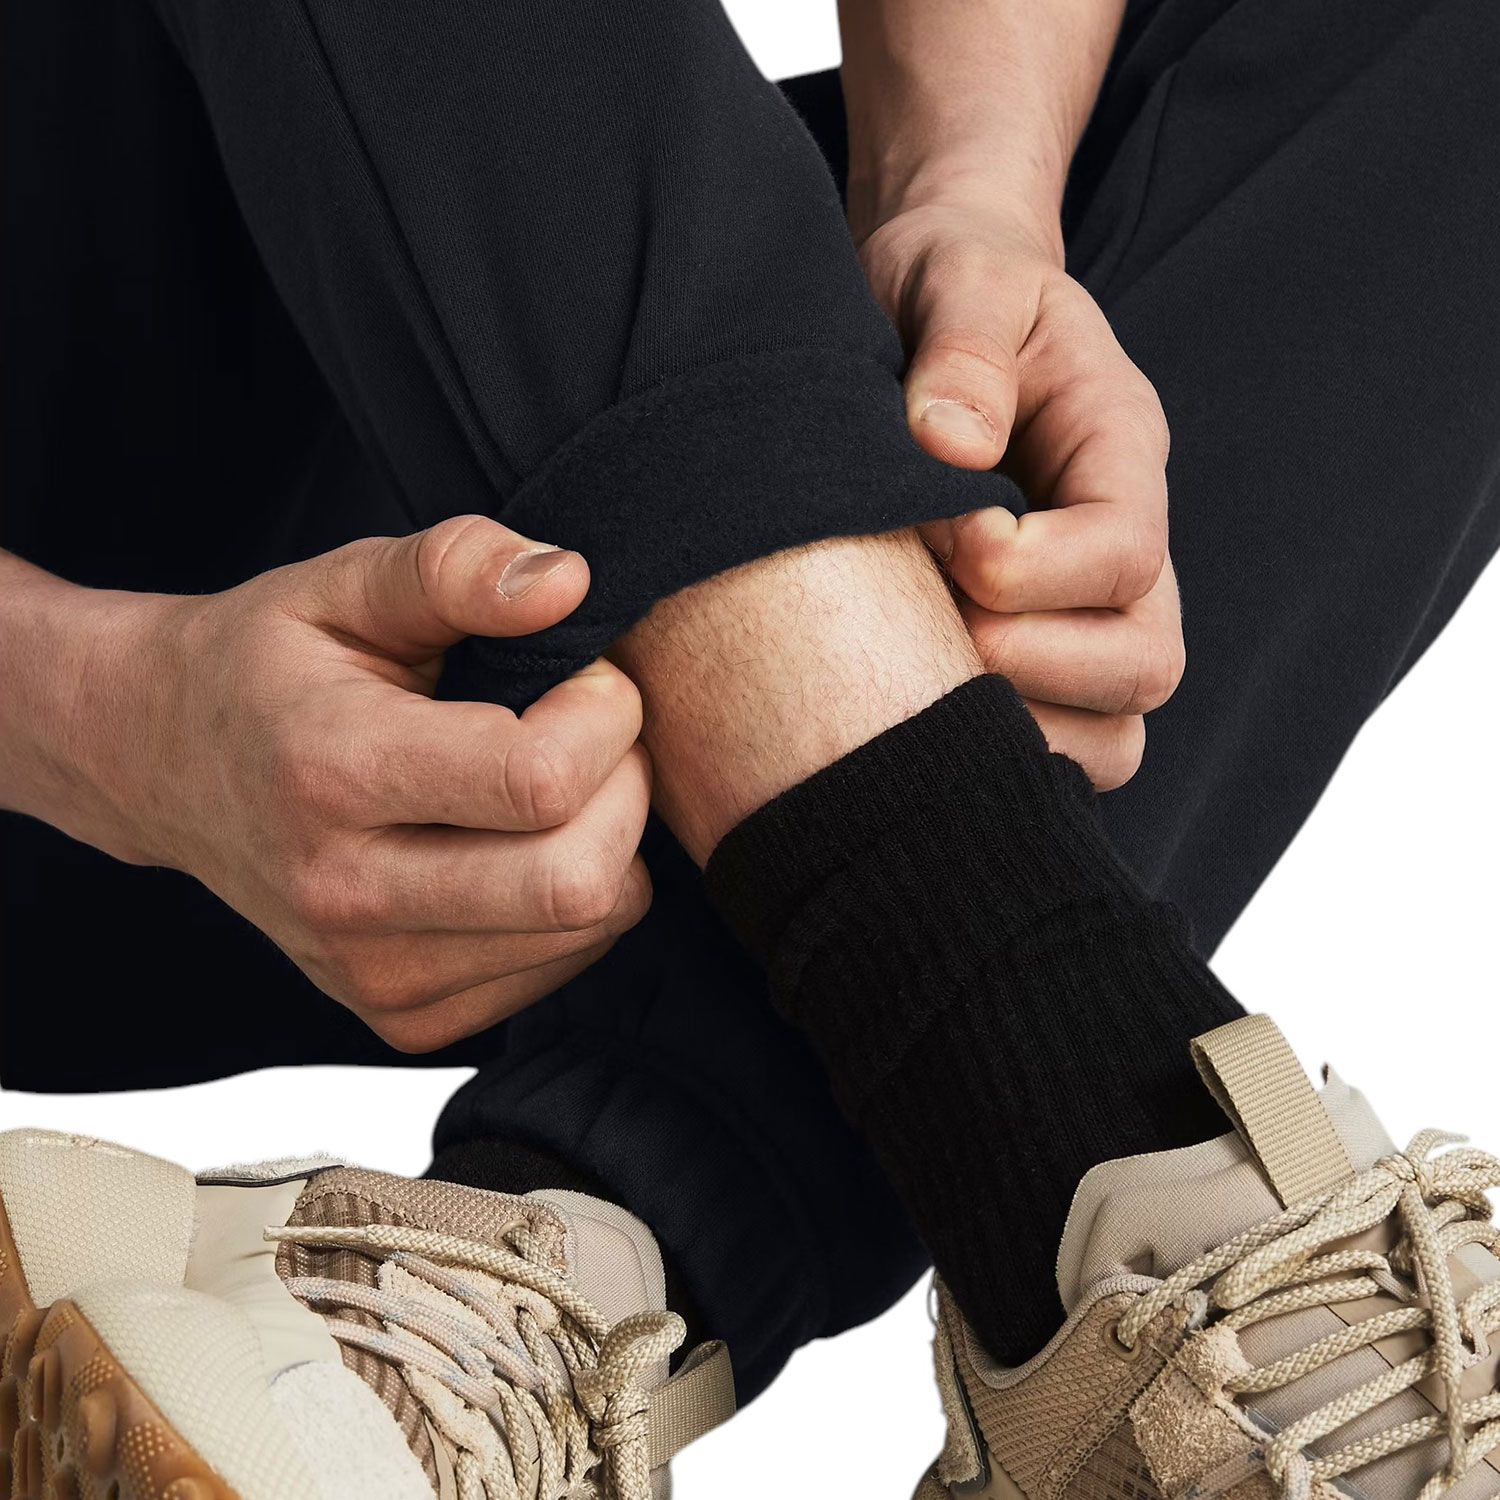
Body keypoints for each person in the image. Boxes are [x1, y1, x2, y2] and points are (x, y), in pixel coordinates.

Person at [3, 0, 1499, 1494]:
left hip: (506, 512)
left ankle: (548, 1270)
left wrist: (967, 204)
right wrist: (109, 717)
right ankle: (1091, 1128)